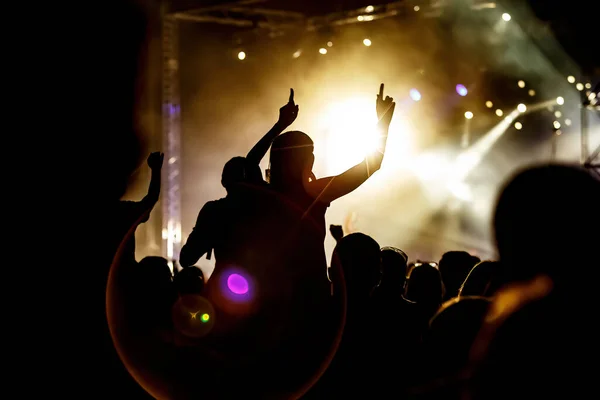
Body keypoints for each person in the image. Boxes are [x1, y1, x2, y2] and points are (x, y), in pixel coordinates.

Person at [179, 90, 299, 268]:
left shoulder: (215, 211)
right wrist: (279, 126)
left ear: (224, 182)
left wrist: (206, 234)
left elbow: (186, 258)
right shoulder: (268, 205)